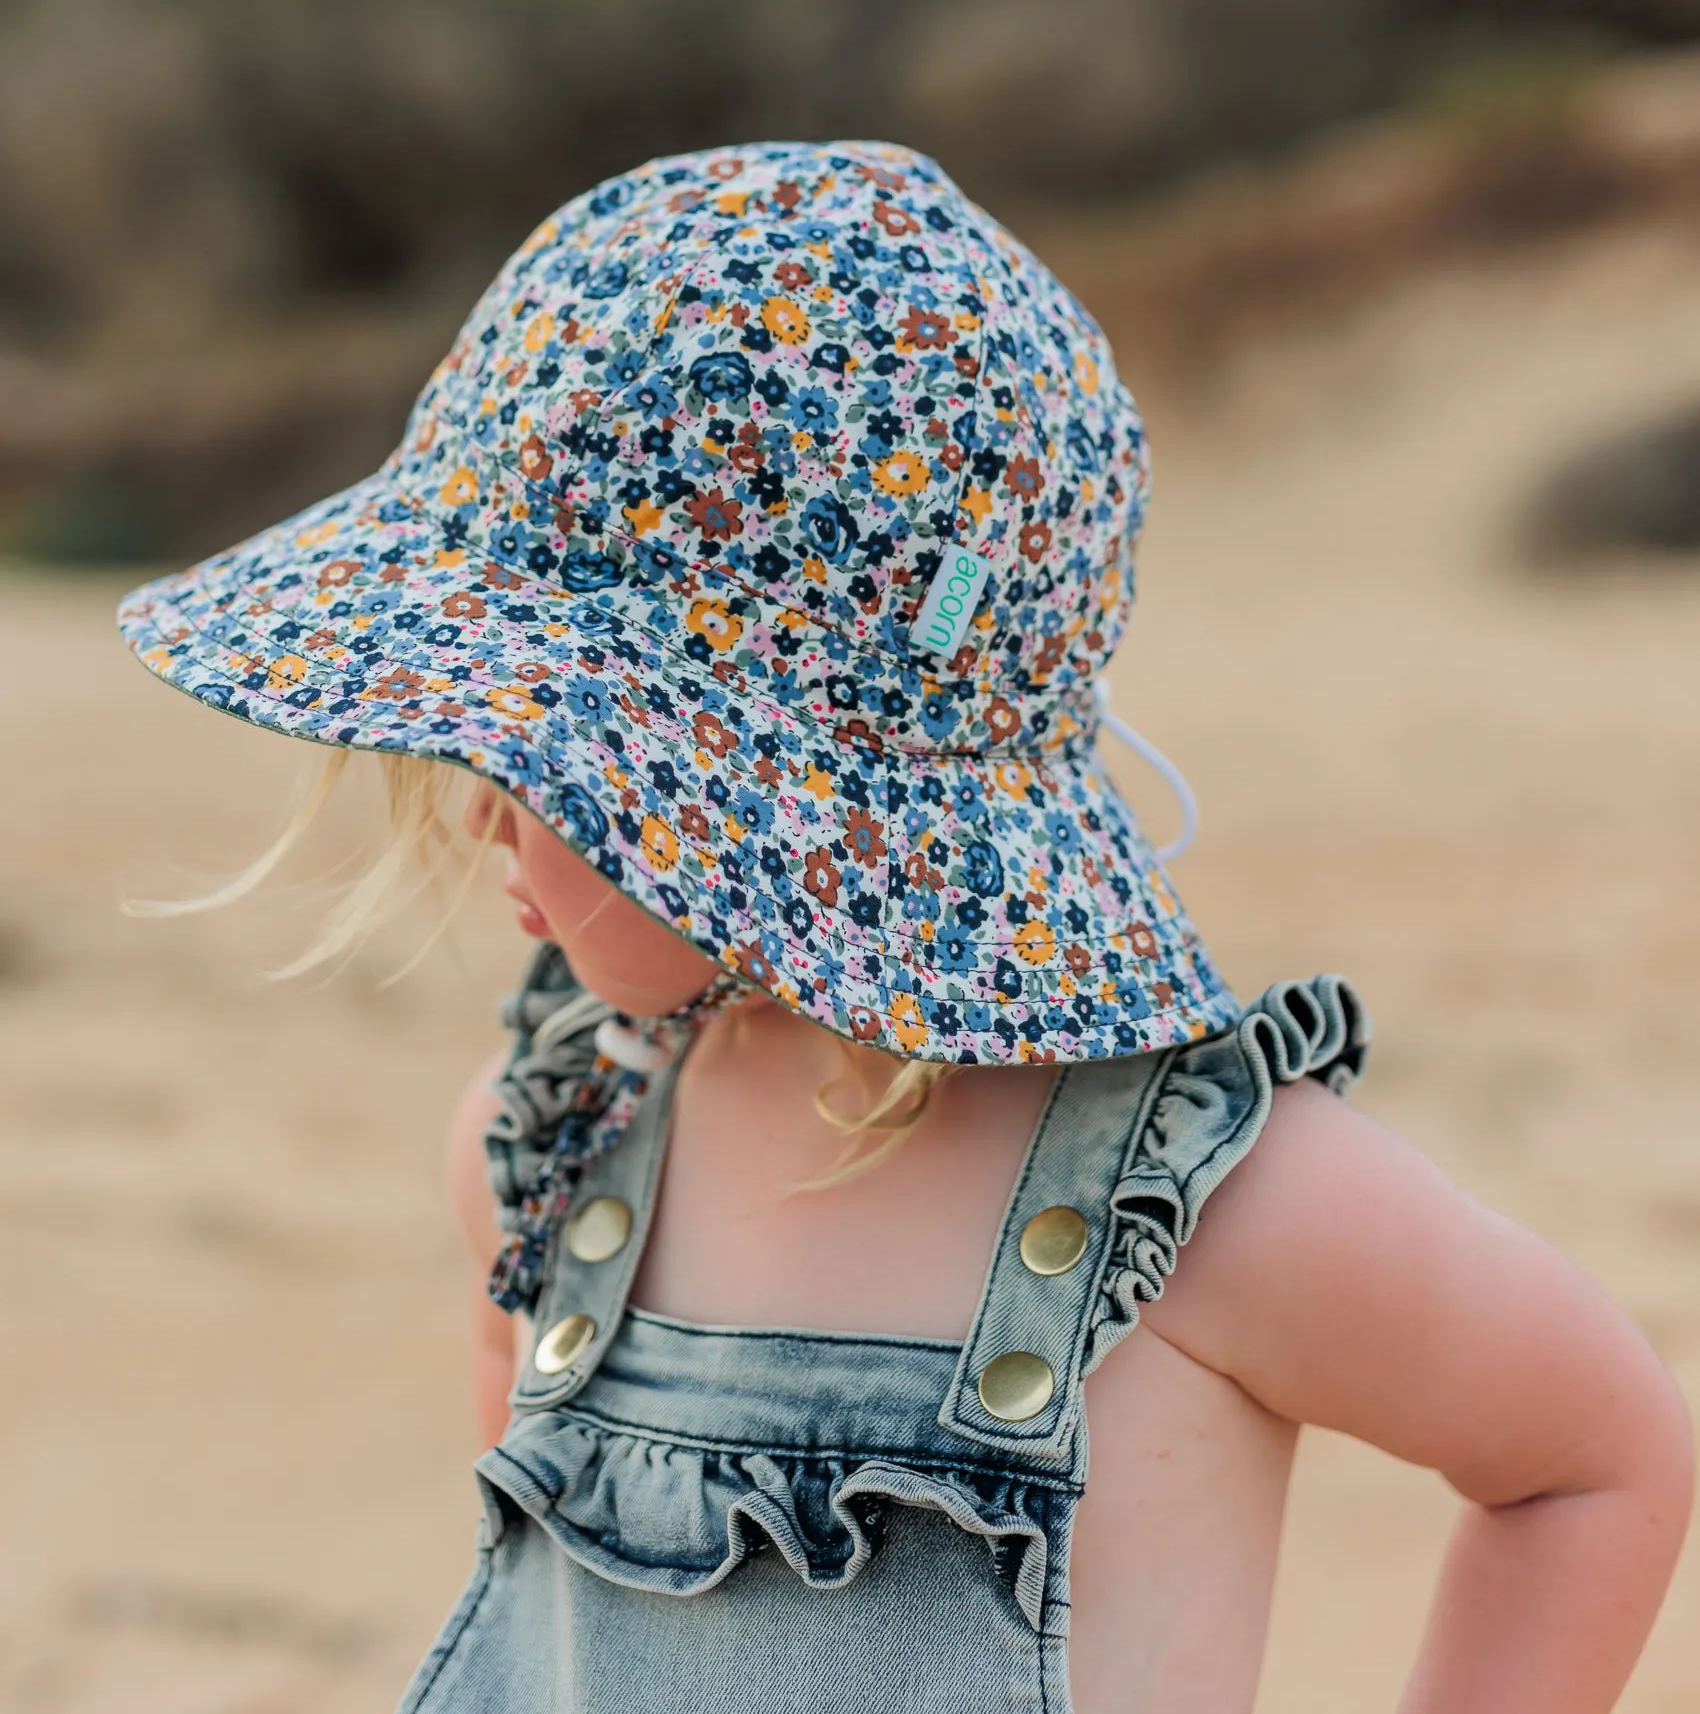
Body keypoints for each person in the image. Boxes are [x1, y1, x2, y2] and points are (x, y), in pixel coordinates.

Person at [120, 140, 1691, 1713]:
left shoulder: (1205, 1207)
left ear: (763, 800)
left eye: (541, 759)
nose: (474, 813)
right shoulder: (548, 1143)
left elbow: (1593, 1462)